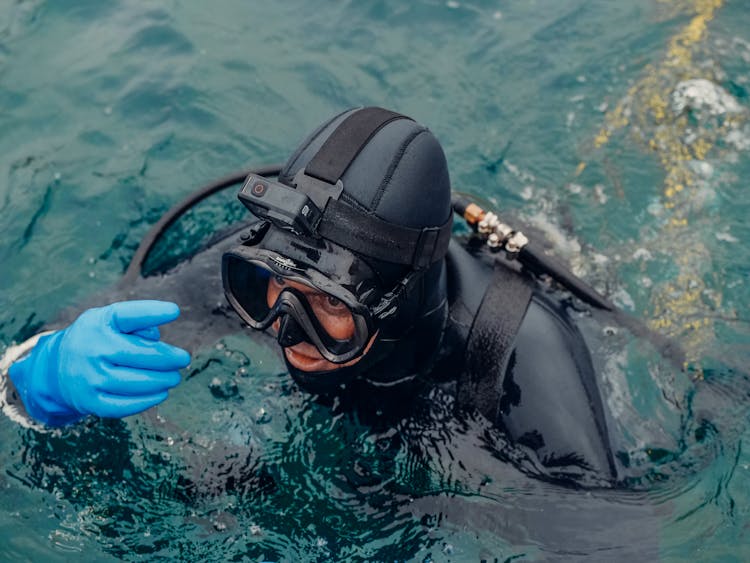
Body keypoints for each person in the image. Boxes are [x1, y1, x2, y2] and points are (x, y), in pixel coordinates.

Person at [1, 107, 633, 486]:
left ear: (397, 303)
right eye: (269, 290)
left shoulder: (522, 355)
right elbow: (81, 334)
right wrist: (40, 378)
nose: (286, 328)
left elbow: (607, 539)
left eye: (329, 306)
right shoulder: (264, 259)